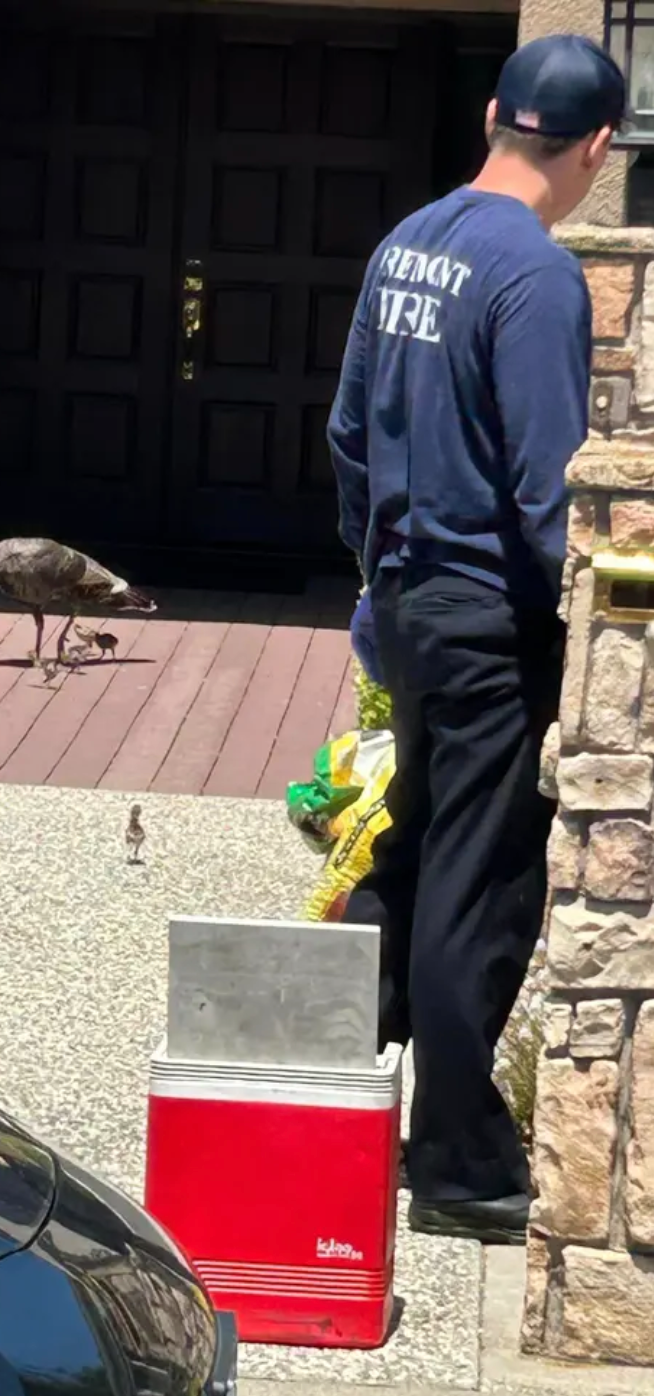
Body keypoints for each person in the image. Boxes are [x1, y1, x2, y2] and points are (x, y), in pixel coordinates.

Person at [328, 34, 627, 1245]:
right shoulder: (535, 276)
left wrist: (377, 573)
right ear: (596, 148)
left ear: (495, 115)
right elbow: (548, 487)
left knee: (410, 850)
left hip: (406, 600)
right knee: (478, 878)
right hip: (486, 616)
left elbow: (349, 436)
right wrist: (580, 623)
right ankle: (457, 1161)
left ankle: (329, 1083)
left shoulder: (409, 241)